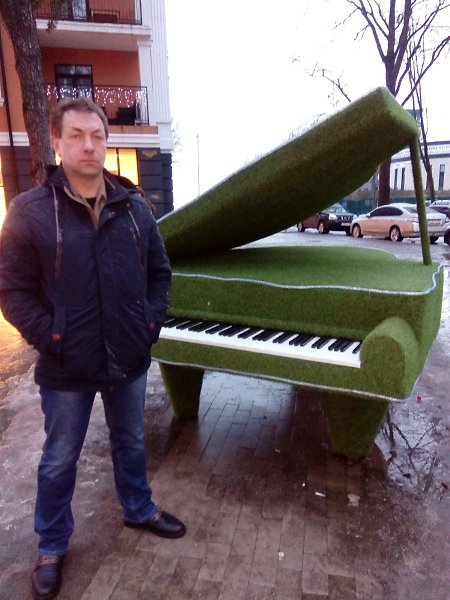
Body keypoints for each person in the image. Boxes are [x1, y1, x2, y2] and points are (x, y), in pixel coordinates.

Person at [0, 97, 185, 600]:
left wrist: (148, 323)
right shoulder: (30, 212)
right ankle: (51, 546)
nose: (89, 145)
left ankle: (138, 509)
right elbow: (12, 291)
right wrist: (51, 336)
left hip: (128, 354)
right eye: (77, 136)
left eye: (97, 136)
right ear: (56, 143)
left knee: (131, 441)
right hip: (67, 364)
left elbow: (160, 274)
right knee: (60, 458)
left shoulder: (135, 208)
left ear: (107, 142)